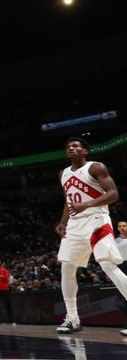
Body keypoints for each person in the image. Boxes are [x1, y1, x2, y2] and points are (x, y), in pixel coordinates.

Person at [55, 137, 127, 336]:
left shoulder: (96, 167)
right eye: (68, 146)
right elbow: (69, 201)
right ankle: (73, 319)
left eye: (76, 146)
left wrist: (87, 205)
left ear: (85, 151)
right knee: (66, 269)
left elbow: (113, 194)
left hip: (97, 219)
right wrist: (62, 222)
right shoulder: (63, 173)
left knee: (107, 265)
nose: (71, 148)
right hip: (75, 225)